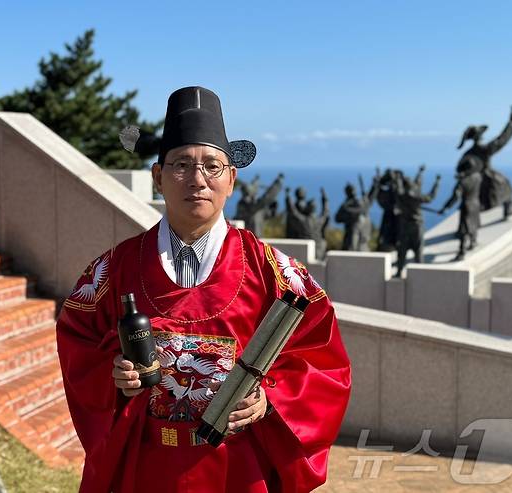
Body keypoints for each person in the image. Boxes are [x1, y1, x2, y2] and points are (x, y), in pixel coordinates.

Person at [56, 86, 351, 493]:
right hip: (145, 468)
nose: (197, 180)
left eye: (213, 166)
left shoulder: (275, 273)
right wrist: (114, 374)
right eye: (180, 165)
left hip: (238, 469)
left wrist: (269, 399)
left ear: (231, 179)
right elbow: (78, 341)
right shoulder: (114, 270)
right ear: (158, 177)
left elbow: (324, 362)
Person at [456, 106, 512, 219]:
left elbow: (459, 168)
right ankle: (509, 209)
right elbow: (500, 141)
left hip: (475, 179)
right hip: (486, 176)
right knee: (506, 185)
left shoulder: (469, 152)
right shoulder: (483, 149)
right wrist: (511, 124)